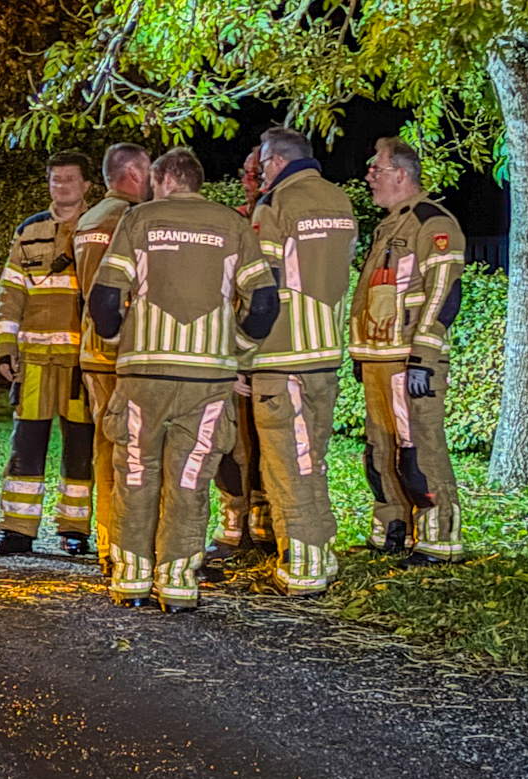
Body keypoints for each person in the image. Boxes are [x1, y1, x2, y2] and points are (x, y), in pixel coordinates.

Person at [87, 147, 278, 610]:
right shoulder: (232, 225)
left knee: (135, 473)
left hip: (142, 377)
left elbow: (106, 297)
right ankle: (178, 585)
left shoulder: (139, 221)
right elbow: (265, 303)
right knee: (190, 479)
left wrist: (118, 343)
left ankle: (131, 582)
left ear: (164, 180)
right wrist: (235, 349)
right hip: (207, 382)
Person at [245, 127, 361, 594]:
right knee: (312, 457)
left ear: (275, 162)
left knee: (287, 466)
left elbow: (262, 288)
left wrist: (240, 350)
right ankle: (323, 554)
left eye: (261, 166)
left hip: (280, 353)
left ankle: (304, 565)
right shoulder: (340, 201)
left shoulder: (274, 206)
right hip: (324, 354)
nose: (259, 175)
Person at [352, 137, 468, 563]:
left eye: (376, 168)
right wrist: (361, 355)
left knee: (419, 449)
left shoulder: (432, 223)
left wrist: (423, 359)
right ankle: (392, 529)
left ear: (401, 174)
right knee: (380, 450)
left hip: (409, 362)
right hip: (380, 359)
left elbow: (443, 296)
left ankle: (439, 540)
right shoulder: (391, 225)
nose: (369, 176)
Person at [0, 152, 97, 555]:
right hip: (33, 360)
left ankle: (74, 529)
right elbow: (11, 292)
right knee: (26, 446)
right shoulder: (29, 231)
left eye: (70, 179)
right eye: (55, 180)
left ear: (87, 185)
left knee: (79, 449)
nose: (62, 186)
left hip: (80, 364)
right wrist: (4, 348)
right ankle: (17, 530)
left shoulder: (98, 229)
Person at [74, 144, 152, 571]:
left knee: (104, 450)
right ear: (135, 173)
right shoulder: (130, 218)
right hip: (123, 350)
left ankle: (107, 547)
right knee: (134, 451)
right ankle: (129, 545)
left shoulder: (87, 220)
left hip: (92, 351)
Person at [213, 150, 274, 558]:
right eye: (247, 172)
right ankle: (232, 523)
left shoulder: (279, 220)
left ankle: (265, 523)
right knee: (228, 442)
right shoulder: (231, 222)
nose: (252, 180)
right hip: (230, 349)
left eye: (258, 172)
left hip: (270, 351)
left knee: (269, 442)